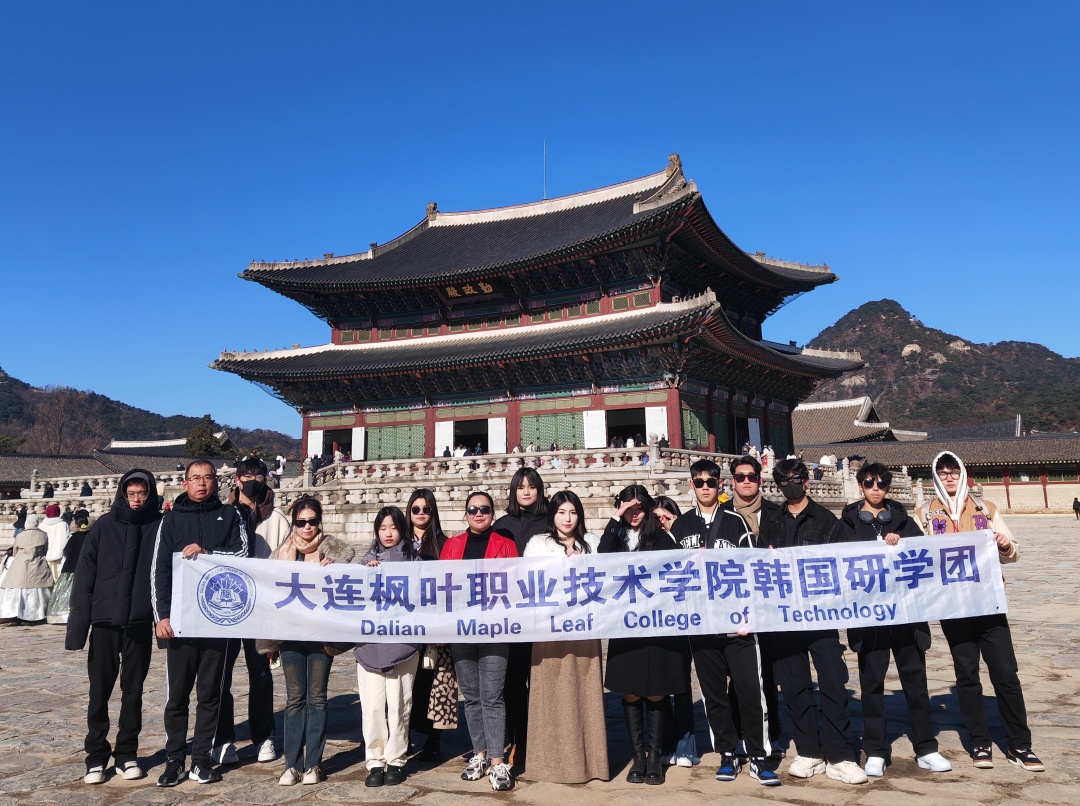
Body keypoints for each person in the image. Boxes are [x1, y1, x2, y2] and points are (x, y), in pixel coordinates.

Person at [917, 451, 1044, 772]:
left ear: (963, 474)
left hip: (989, 604)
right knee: (967, 676)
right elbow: (916, 556)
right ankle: (979, 741)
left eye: (954, 471)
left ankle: (1019, 744)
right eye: (943, 472)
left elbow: (1013, 551)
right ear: (935, 477)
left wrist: (1004, 545)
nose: (949, 477)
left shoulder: (985, 509)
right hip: (953, 607)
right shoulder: (924, 515)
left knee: (1006, 674)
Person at [836, 462, 951, 777]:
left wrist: (901, 544)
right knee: (871, 685)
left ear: (888, 487)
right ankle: (876, 750)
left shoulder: (904, 521)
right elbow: (837, 563)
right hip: (869, 618)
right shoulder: (846, 524)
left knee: (916, 684)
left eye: (881, 484)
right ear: (860, 485)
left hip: (905, 616)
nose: (875, 489)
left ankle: (926, 747)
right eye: (869, 483)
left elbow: (924, 558)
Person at [758, 458, 867, 784]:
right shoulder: (771, 520)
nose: (790, 484)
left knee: (833, 684)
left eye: (796, 478)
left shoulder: (826, 519)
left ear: (806, 481)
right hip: (785, 618)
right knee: (794, 687)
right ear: (778, 485)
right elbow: (759, 564)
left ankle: (841, 755)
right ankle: (809, 752)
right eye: (784, 481)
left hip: (821, 616)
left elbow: (842, 563)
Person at [670, 459, 778, 786]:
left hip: (737, 623)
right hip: (702, 625)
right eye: (699, 482)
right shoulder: (680, 527)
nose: (705, 487)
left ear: (720, 485)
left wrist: (752, 613)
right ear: (691, 485)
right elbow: (670, 577)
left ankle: (759, 755)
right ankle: (728, 753)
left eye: (711, 482)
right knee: (714, 695)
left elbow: (753, 570)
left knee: (750, 690)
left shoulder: (735, 522)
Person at [151, 460, 249, 787]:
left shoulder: (231, 515)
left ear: (216, 481)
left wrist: (208, 553)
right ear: (185, 483)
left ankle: (201, 759)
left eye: (208, 478)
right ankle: (174, 759)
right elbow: (159, 570)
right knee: (177, 696)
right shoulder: (170, 520)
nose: (202, 483)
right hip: (179, 622)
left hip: (216, 621)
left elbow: (243, 555)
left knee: (210, 694)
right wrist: (161, 616)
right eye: (195, 478)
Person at [65, 470, 161, 784]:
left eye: (142, 494)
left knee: (133, 693)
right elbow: (84, 577)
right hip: (105, 621)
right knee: (99, 692)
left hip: (139, 622)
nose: (136, 500)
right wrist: (77, 629)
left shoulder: (159, 526)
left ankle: (127, 753)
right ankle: (95, 756)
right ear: (122, 494)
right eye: (131, 494)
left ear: (150, 494)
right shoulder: (104, 526)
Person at [255, 495, 354, 786]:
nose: (307, 527)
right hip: (291, 636)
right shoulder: (281, 554)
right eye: (301, 522)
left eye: (312, 521)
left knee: (318, 698)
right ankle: (292, 765)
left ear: (319, 522)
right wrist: (269, 643)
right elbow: (270, 599)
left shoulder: (334, 550)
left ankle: (314, 764)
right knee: (295, 699)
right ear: (294, 523)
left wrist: (334, 565)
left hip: (321, 635)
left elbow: (349, 565)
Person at [601, 485, 690, 786]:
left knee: (655, 690)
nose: (634, 513)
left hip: (656, 624)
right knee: (630, 690)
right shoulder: (616, 537)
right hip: (625, 625)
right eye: (628, 508)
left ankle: (654, 755)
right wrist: (617, 516)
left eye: (639, 508)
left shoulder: (661, 537)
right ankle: (637, 755)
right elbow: (600, 557)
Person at [521, 490, 609, 783]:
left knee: (585, 695)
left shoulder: (592, 543)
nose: (567, 519)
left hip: (584, 629)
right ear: (552, 515)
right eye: (561, 512)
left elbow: (605, 579)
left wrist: (583, 564)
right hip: (549, 629)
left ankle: (591, 764)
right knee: (549, 696)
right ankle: (546, 764)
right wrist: (563, 564)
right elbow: (530, 580)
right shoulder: (538, 544)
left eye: (573, 512)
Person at [215, 457, 291, 766]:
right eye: (246, 477)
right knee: (220, 675)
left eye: (257, 478)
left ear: (266, 480)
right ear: (237, 480)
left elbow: (288, 567)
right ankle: (223, 738)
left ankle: (264, 735)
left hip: (261, 608)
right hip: (228, 605)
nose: (251, 483)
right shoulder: (222, 515)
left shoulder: (278, 520)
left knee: (260, 674)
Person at [440, 491, 518, 792]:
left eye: (484, 509)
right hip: (461, 630)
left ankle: (498, 761)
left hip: (495, 630)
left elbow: (515, 582)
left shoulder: (505, 544)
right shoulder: (452, 545)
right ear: (466, 514)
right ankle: (480, 754)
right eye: (473, 509)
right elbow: (441, 584)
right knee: (471, 697)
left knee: (492, 696)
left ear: (492, 514)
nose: (478, 514)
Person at [357, 506, 423, 788]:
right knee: (372, 707)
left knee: (399, 706)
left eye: (393, 528)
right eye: (382, 528)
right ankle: (374, 760)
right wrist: (364, 575)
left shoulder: (415, 561)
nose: (388, 533)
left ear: (402, 530)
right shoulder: (365, 562)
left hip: (403, 644)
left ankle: (396, 758)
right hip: (369, 645)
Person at [492, 468, 549, 770]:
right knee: (513, 682)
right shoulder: (503, 526)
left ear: (540, 490)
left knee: (543, 679)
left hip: (544, 615)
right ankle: (518, 740)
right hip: (512, 616)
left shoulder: (552, 520)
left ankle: (544, 739)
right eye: (520, 487)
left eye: (532, 486)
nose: (526, 492)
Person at [726, 455, 782, 758]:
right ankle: (738, 734)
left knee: (768, 671)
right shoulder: (723, 514)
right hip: (734, 601)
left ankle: (771, 734)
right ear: (732, 481)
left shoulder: (776, 512)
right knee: (738, 674)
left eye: (751, 477)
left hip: (768, 600)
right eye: (740, 477)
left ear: (760, 480)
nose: (746, 481)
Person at [407, 489, 456, 761]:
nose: (421, 514)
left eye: (426, 509)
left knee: (436, 681)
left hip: (435, 623)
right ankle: (404, 734)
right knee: (407, 681)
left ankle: (434, 738)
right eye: (416, 509)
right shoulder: (399, 543)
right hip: (406, 622)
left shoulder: (444, 544)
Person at [0, 513, 52, 623]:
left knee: (18, 588)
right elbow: (45, 550)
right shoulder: (43, 535)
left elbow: (15, 551)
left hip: (20, 565)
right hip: (38, 565)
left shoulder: (20, 535)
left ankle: (15, 613)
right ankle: (35, 614)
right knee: (37, 589)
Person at [47, 508, 90, 624]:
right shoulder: (91, 537)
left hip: (71, 567)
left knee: (66, 590)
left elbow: (66, 551)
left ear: (76, 525)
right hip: (86, 568)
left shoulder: (74, 537)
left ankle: (63, 613)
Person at [41, 503, 70, 582]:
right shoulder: (63, 525)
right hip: (59, 556)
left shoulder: (42, 525)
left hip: (45, 556)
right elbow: (65, 539)